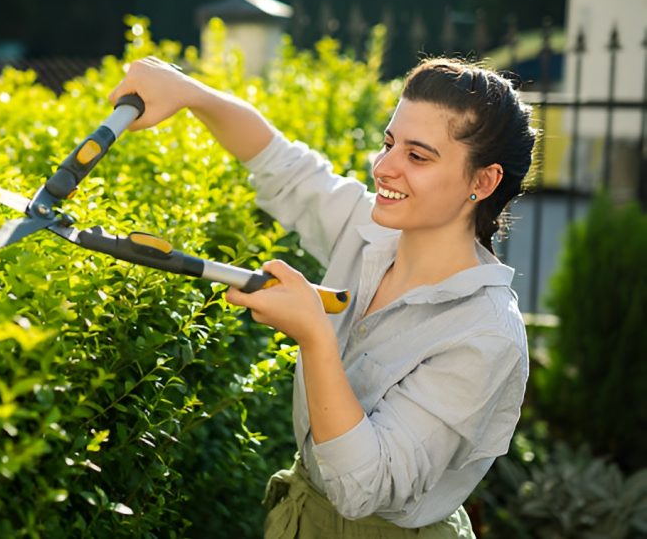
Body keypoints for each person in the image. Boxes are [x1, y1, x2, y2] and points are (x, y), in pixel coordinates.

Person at [109, 55, 536, 538]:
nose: (384, 167)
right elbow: (284, 167)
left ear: (483, 181)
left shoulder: (485, 335)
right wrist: (190, 93)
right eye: (388, 144)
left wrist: (314, 336)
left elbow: (365, 489)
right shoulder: (368, 230)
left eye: (417, 156)